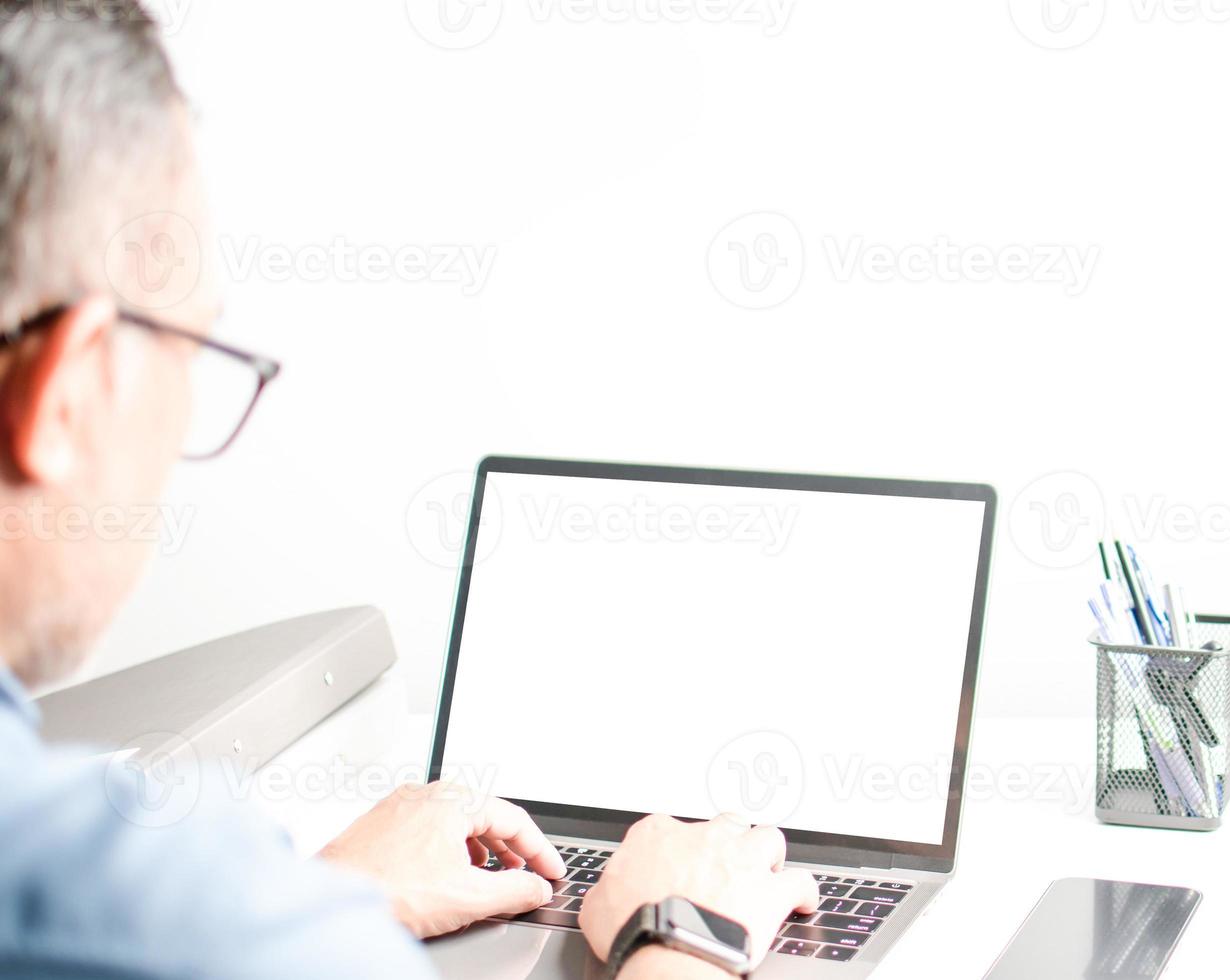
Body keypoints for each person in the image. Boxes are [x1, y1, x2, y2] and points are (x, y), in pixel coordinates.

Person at [0, 3, 814, 977]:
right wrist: (684, 931)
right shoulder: (144, 903)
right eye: (193, 346)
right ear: (72, 389)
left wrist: (306, 903)